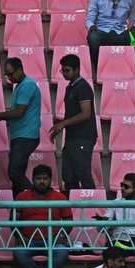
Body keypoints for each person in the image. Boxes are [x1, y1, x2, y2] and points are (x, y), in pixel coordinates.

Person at [13, 165, 72, 268]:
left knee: (62, 252)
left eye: (45, 178)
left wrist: (61, 235)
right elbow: (13, 220)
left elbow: (68, 220)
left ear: (50, 180)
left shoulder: (60, 198)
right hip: (29, 241)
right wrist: (19, 236)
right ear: (33, 179)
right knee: (19, 253)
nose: (42, 182)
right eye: (38, 178)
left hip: (53, 241)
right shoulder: (21, 197)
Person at [0, 57, 42, 195]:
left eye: (11, 74)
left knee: (14, 172)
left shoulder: (27, 85)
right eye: (6, 74)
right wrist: (0, 115)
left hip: (26, 136)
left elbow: (19, 112)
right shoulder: (20, 85)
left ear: (20, 70)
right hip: (20, 135)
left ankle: (39, 198)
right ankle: (18, 212)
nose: (9, 77)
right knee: (17, 178)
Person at [50, 54, 97, 191]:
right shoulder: (70, 87)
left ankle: (92, 207)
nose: (64, 73)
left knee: (83, 174)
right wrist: (60, 126)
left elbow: (86, 113)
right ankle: (72, 210)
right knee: (68, 176)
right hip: (72, 137)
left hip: (83, 137)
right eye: (62, 70)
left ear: (77, 70)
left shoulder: (83, 87)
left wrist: (63, 124)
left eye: (67, 70)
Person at [85, 0, 135, 71]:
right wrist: (91, 26)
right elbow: (90, 18)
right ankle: (99, 69)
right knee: (92, 37)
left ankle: (131, 69)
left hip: (121, 33)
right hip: (102, 31)